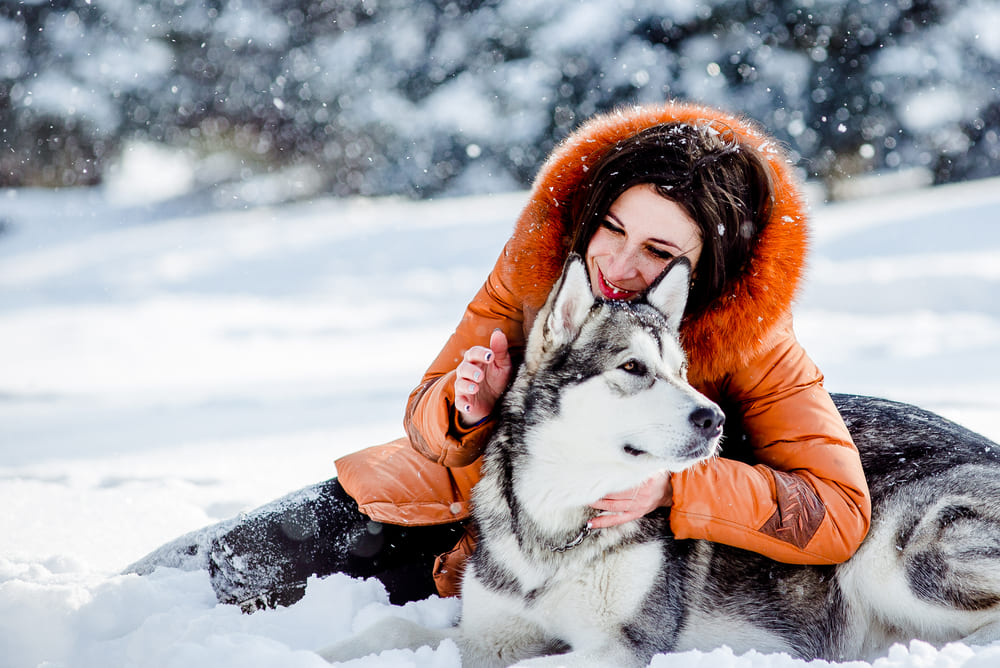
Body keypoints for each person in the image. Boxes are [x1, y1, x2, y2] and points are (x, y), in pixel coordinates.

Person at [126, 101, 871, 612]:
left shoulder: (756, 341)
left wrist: (675, 492)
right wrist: (465, 404)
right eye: (610, 227)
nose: (616, 261)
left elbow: (837, 512)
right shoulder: (540, 264)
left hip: (584, 550)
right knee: (205, 575)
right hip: (445, 496)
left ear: (709, 266)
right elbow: (425, 416)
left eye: (658, 251)